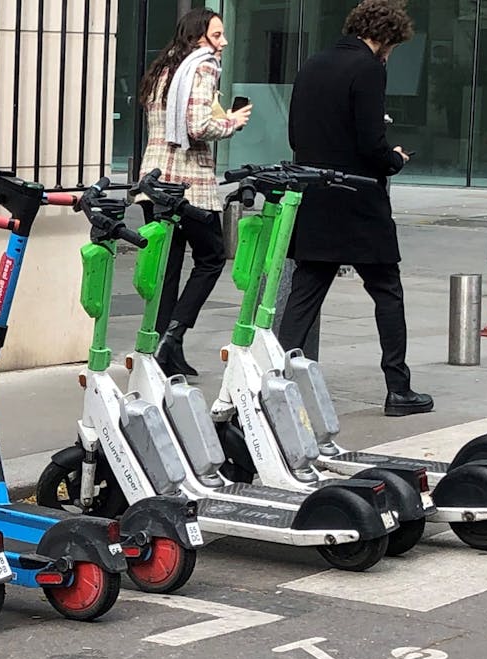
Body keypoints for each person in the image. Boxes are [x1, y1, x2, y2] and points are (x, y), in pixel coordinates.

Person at [277, 0, 431, 417]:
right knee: (386, 290)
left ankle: (273, 382)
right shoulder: (368, 68)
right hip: (358, 196)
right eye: (393, 46)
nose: (390, 54)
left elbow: (295, 132)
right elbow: (370, 143)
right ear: (384, 37)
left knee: (305, 292)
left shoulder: (312, 63)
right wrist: (394, 159)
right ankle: (398, 388)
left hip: (314, 192)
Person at [135, 8, 251, 377]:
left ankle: (164, 351)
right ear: (197, 37)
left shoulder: (163, 70)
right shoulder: (201, 67)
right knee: (212, 257)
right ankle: (174, 334)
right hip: (189, 183)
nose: (224, 43)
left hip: (153, 179)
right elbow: (198, 126)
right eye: (216, 35)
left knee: (168, 267)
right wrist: (232, 123)